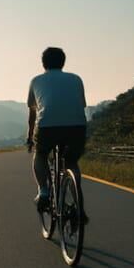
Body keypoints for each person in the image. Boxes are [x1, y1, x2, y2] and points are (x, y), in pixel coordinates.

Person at [26, 46, 87, 213]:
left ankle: (44, 191)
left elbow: (33, 112)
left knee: (40, 155)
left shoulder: (36, 80)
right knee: (71, 162)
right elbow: (81, 105)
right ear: (63, 62)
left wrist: (30, 136)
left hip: (47, 126)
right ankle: (77, 200)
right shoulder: (76, 78)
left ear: (43, 64)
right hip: (76, 126)